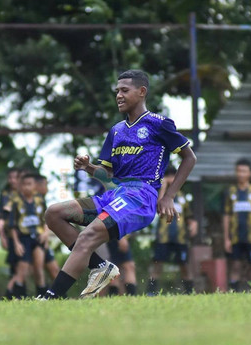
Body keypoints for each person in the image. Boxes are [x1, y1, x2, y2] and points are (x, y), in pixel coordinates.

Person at [41, 70, 196, 299]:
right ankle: (100, 266)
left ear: (142, 92)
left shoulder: (159, 124)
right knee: (53, 214)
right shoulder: (116, 131)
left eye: (124, 90)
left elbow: (189, 158)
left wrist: (169, 196)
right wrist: (89, 167)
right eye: (117, 91)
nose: (119, 96)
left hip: (140, 197)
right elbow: (109, 176)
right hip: (115, 195)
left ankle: (51, 297)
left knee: (87, 236)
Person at [147, 166, 197, 296]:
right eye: (167, 176)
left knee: (184, 266)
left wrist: (193, 225)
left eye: (172, 176)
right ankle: (151, 293)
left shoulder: (182, 197)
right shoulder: (160, 195)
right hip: (163, 237)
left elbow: (189, 216)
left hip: (180, 238)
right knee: (157, 265)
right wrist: (163, 187)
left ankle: (189, 292)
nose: (170, 179)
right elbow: (159, 210)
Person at [223, 159, 251, 292]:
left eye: (244, 171)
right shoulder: (230, 192)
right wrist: (226, 239)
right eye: (239, 171)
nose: (241, 174)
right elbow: (226, 216)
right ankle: (233, 292)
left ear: (250, 173)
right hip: (235, 237)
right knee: (235, 265)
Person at [7, 174, 49, 298]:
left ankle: (43, 296)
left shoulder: (39, 200)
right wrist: (16, 243)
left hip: (37, 237)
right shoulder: (16, 202)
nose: (27, 187)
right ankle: (15, 297)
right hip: (23, 238)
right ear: (21, 186)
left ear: (35, 185)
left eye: (29, 184)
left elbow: (46, 219)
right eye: (24, 184)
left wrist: (46, 233)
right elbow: (12, 225)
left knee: (38, 268)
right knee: (22, 269)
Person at [34, 174, 60, 282]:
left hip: (42, 239)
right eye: (45, 185)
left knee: (54, 269)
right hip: (32, 240)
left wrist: (46, 233)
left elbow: (45, 221)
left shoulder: (41, 201)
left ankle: (61, 296)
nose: (47, 188)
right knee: (38, 271)